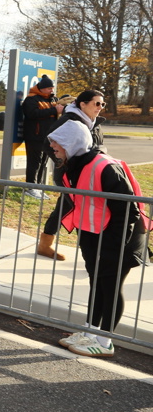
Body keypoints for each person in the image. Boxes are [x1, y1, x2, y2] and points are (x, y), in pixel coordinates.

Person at [48, 120, 151, 358]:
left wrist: (115, 246)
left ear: (72, 143)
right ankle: (90, 332)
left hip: (122, 238)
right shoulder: (74, 165)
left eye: (57, 142)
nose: (52, 146)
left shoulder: (105, 167)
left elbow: (129, 211)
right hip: (96, 235)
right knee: (98, 284)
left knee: (111, 288)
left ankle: (105, 342)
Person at [37, 90, 107, 260]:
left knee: (66, 206)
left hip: (87, 174)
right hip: (70, 174)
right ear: (83, 104)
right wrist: (65, 163)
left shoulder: (93, 122)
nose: (100, 107)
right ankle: (92, 254)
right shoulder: (69, 120)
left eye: (102, 104)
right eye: (97, 103)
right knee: (80, 208)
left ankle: (45, 244)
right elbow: (47, 143)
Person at [21, 74, 62, 197]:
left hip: (48, 138)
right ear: (42, 88)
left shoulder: (53, 99)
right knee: (34, 162)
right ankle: (30, 187)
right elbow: (32, 114)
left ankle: (37, 187)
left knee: (43, 163)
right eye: (49, 88)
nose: (52, 90)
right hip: (34, 136)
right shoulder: (31, 99)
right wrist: (54, 110)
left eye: (52, 88)